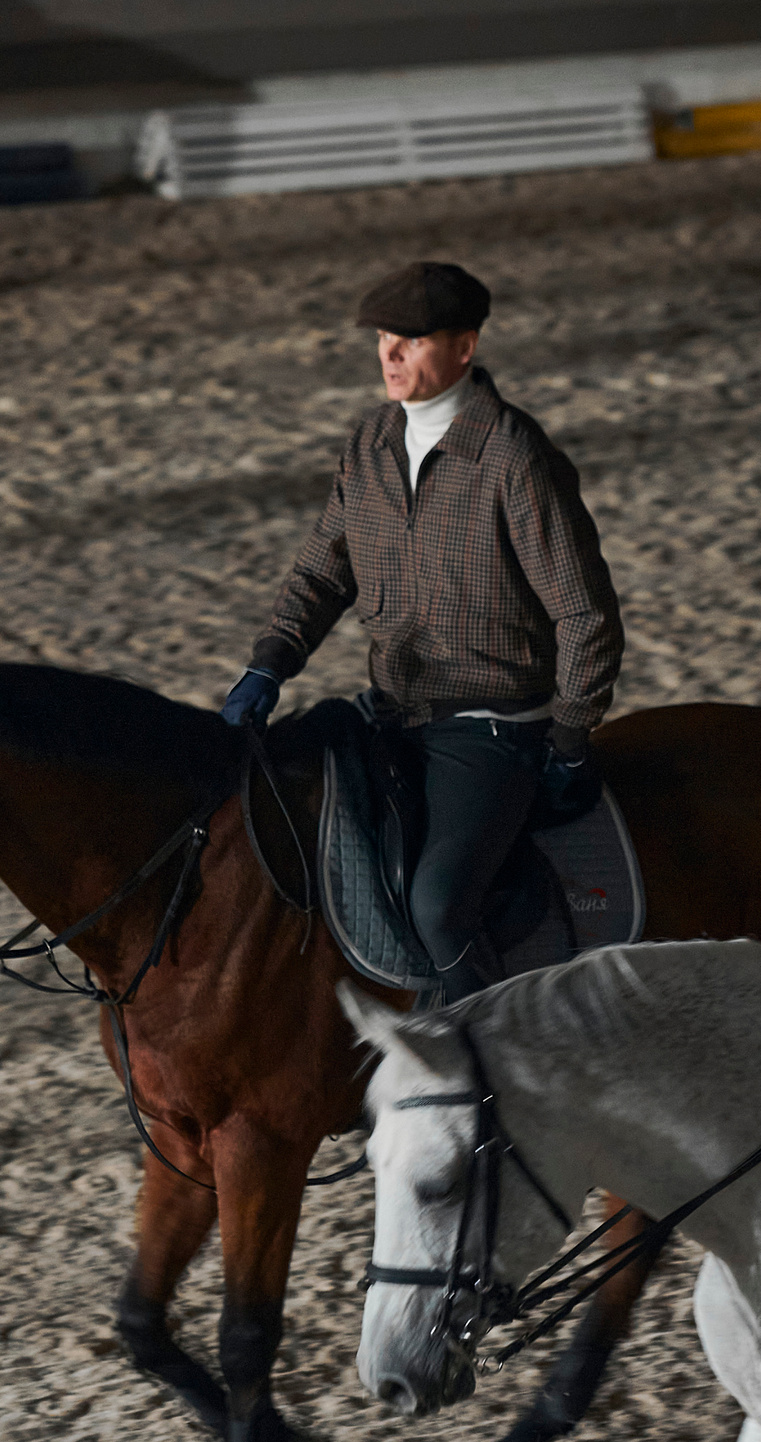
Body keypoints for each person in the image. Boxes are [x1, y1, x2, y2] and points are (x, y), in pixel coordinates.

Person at [219, 261, 623, 1003]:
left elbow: (585, 613)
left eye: (411, 340)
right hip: (391, 713)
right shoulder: (370, 442)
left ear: (465, 347)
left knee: (439, 906)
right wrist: (269, 664)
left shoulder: (513, 458)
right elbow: (321, 571)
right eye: (382, 338)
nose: (390, 355)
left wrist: (569, 736)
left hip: (491, 727)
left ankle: (489, 1069)